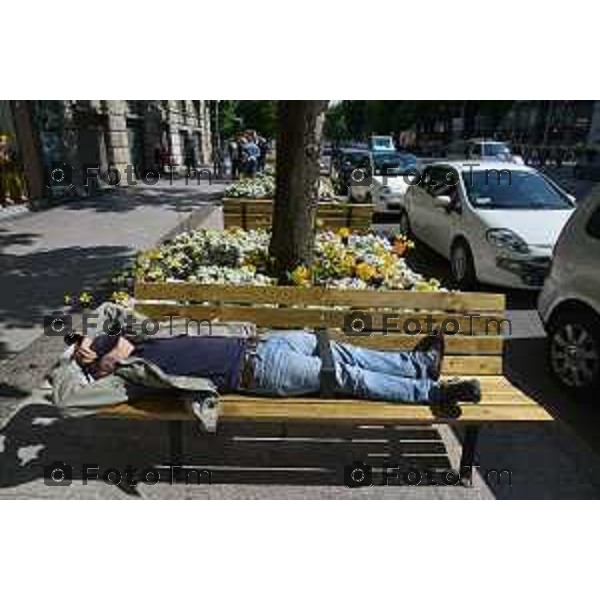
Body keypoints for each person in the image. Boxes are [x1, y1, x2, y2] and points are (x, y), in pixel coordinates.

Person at [69, 328, 481, 405]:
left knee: (343, 353)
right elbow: (69, 397)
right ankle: (432, 393)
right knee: (344, 377)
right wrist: (90, 358)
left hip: (265, 342)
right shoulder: (129, 374)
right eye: (94, 354)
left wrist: (89, 340)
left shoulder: (136, 338)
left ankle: (416, 364)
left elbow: (110, 322)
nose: (111, 347)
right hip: (257, 373)